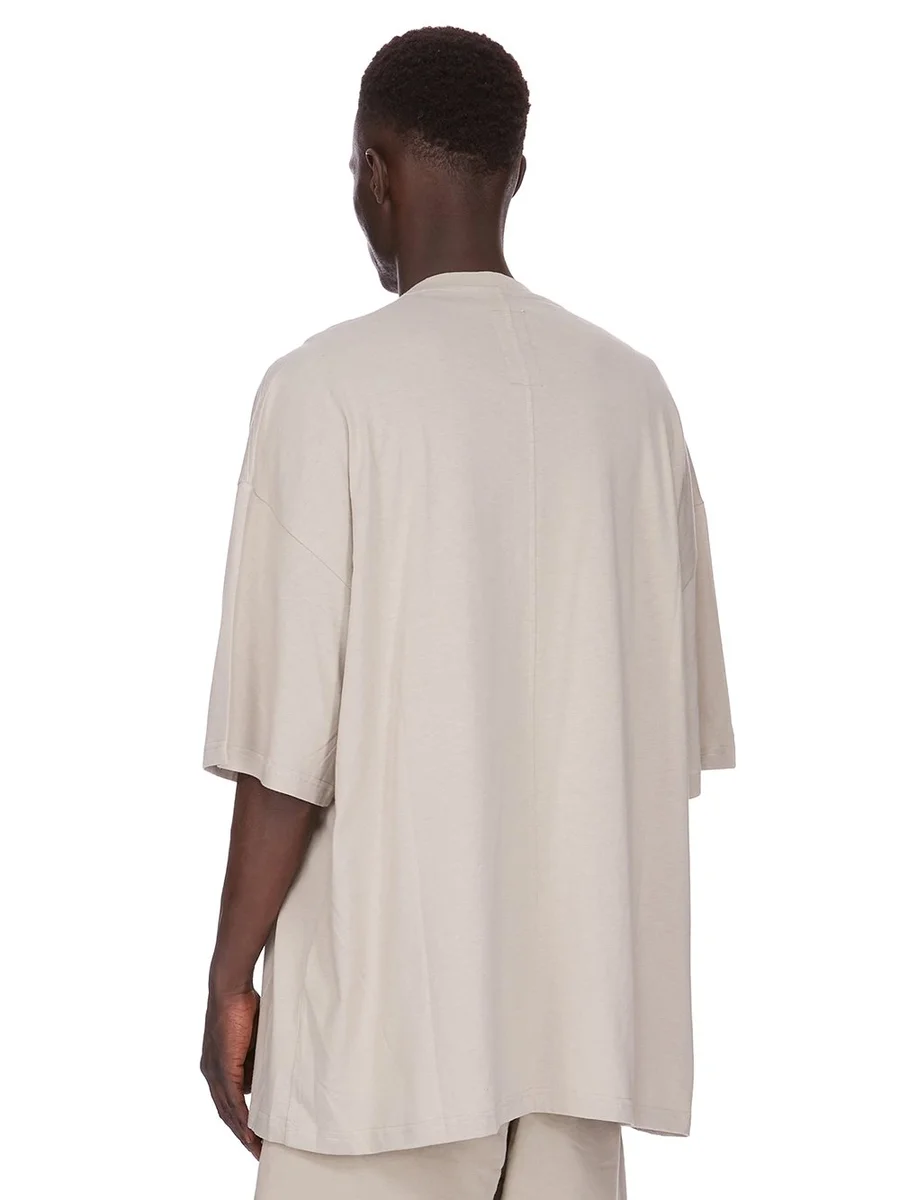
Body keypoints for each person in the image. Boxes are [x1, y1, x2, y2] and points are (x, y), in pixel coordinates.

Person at [199, 24, 735, 1200]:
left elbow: (285, 754)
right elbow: (666, 743)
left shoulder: (322, 391)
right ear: (515, 176)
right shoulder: (634, 402)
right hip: (574, 1055)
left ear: (373, 173)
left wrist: (232, 976)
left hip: (377, 1053)